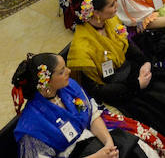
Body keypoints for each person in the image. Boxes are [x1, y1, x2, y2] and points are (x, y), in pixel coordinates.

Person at [66, 0, 165, 152]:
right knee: (164, 109)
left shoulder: (110, 20)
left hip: (133, 73)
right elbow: (97, 90)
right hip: (117, 90)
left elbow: (128, 46)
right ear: (96, 13)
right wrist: (136, 85)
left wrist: (145, 63)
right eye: (112, 5)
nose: (117, 7)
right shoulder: (82, 50)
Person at [10, 52, 139, 158]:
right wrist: (97, 156)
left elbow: (91, 115)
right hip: (77, 153)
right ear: (46, 82)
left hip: (94, 142)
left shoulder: (69, 86)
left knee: (136, 148)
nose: (69, 71)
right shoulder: (32, 125)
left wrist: (108, 143)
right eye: (61, 71)